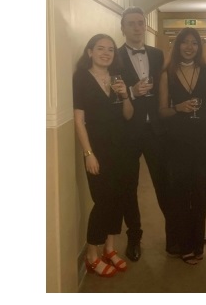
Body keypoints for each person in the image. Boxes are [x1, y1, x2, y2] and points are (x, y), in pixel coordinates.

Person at [73, 34, 134, 277]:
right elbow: (79, 121)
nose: (106, 53)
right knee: (102, 202)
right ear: (90, 52)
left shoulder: (118, 78)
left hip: (121, 148)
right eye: (100, 48)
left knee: (118, 198)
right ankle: (91, 255)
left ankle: (110, 248)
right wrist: (88, 153)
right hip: (97, 150)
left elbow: (128, 115)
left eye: (110, 49)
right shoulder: (81, 78)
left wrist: (125, 95)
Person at [159, 27, 206, 265]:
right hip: (176, 141)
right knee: (180, 193)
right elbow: (162, 111)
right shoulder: (167, 73)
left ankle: (197, 241)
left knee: (201, 192)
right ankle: (183, 244)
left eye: (194, 43)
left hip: (202, 137)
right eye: (185, 42)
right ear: (177, 45)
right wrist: (178, 108)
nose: (189, 47)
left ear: (199, 47)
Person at [118, 6, 167, 262]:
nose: (137, 27)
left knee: (164, 181)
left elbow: (166, 88)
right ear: (123, 28)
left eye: (140, 23)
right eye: (132, 23)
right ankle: (134, 237)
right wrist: (132, 91)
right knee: (128, 186)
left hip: (156, 130)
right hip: (127, 130)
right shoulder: (113, 57)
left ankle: (176, 233)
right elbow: (107, 94)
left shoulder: (158, 55)